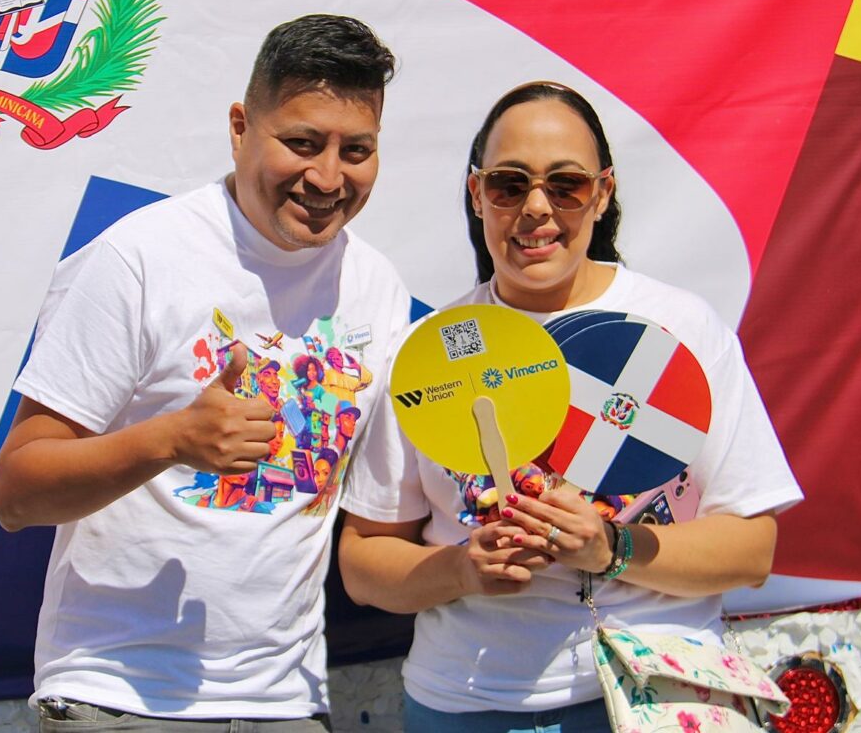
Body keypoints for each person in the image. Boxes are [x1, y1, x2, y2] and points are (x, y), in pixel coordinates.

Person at [338, 81, 803, 732]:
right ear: (478, 195)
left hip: (659, 691)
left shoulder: (680, 331)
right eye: (508, 184)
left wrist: (611, 548)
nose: (536, 208)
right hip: (470, 703)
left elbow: (753, 550)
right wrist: (463, 569)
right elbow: (364, 563)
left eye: (566, 185)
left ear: (603, 193)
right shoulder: (432, 354)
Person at [0, 14, 410, 730]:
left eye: (357, 150)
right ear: (242, 127)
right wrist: (173, 440)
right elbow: (17, 494)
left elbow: (378, 523)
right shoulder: (139, 259)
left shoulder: (379, 287)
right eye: (302, 142)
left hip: (289, 703)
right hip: (118, 695)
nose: (328, 177)